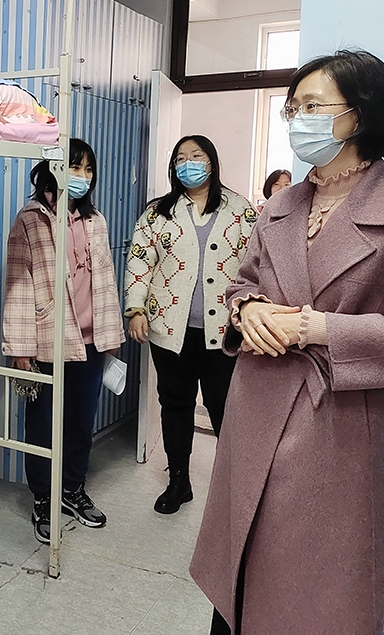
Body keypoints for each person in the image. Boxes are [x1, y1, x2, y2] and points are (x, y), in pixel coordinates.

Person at [190, 50, 384, 635]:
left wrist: (321, 329)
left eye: (312, 107)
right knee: (239, 579)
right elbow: (239, 285)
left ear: (358, 115)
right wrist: (248, 310)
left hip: (334, 433)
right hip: (255, 410)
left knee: (313, 593)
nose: (297, 120)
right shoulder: (278, 207)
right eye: (292, 108)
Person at [124, 135, 257, 515]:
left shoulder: (241, 210)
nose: (188, 164)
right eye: (181, 158)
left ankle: (234, 487)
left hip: (226, 333)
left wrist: (254, 314)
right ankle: (179, 481)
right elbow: (139, 262)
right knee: (175, 404)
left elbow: (257, 266)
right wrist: (135, 309)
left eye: (196, 156)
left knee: (224, 407)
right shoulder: (157, 213)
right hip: (170, 331)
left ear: (211, 162)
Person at [2, 138, 125, 542]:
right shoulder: (30, 219)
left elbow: (105, 281)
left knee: (81, 422)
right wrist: (21, 350)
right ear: (54, 169)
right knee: (42, 425)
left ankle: (72, 490)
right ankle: (43, 497)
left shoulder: (96, 220)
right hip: (48, 341)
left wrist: (110, 333)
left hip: (90, 341)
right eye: (75, 167)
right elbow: (18, 285)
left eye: (88, 170)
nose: (83, 177)